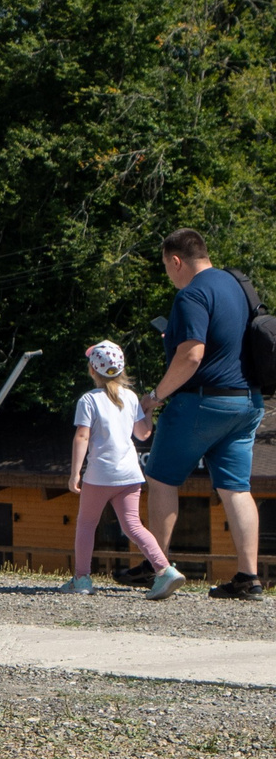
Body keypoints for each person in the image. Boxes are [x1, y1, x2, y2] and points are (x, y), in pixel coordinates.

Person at [139, 229, 264, 602]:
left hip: (201, 403)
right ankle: (248, 577)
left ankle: (156, 567)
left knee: (161, 478)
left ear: (177, 261)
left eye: (166, 267)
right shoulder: (238, 285)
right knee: (236, 488)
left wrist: (155, 396)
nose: (169, 274)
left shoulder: (191, 293)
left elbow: (191, 355)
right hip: (247, 403)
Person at [68, 340, 177, 599]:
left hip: (99, 474)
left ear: (92, 370)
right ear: (121, 369)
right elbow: (143, 433)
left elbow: (82, 437)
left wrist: (75, 473)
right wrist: (147, 409)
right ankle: (165, 570)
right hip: (129, 474)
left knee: (86, 525)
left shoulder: (88, 400)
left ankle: (82, 579)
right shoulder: (130, 398)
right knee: (133, 526)